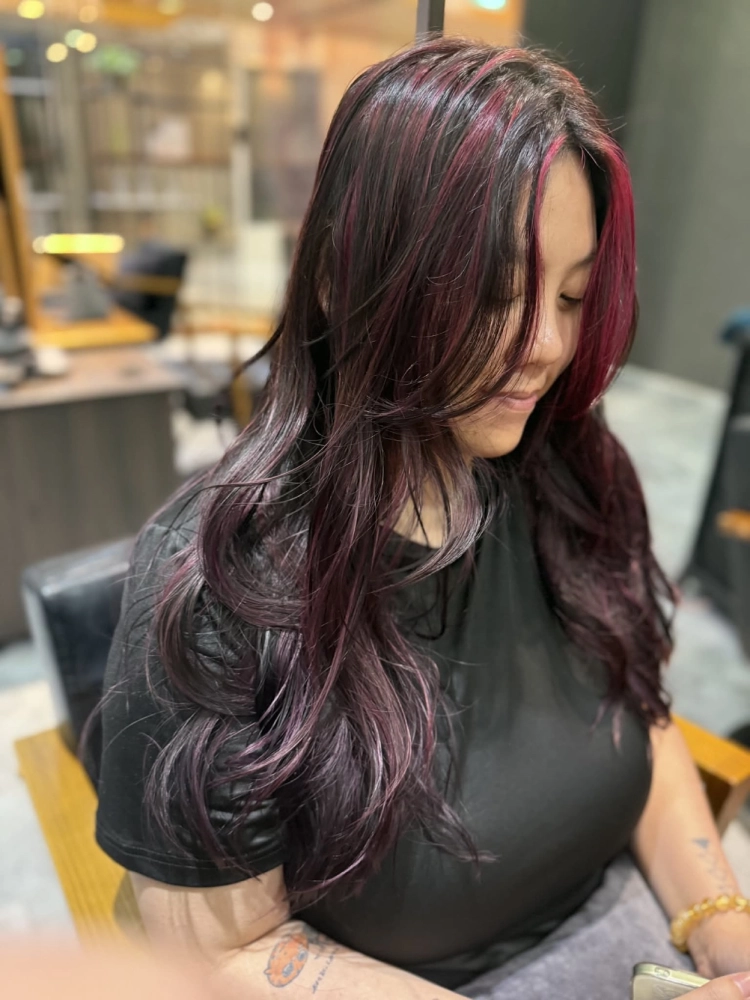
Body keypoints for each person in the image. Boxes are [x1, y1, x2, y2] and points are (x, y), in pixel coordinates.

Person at [92, 38, 750, 999]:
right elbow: (226, 950)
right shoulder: (223, 589)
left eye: (572, 295)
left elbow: (636, 711)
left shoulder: (567, 467)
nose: (548, 346)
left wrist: (723, 927)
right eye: (494, 293)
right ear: (342, 279)